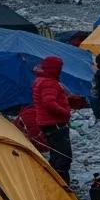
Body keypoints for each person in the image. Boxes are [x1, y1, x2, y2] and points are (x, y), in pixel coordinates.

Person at [32, 55, 72, 185]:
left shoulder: (41, 79)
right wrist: (65, 112)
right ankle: (61, 185)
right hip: (55, 123)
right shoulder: (49, 82)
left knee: (56, 155)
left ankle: (54, 182)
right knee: (63, 157)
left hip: (47, 122)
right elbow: (49, 103)